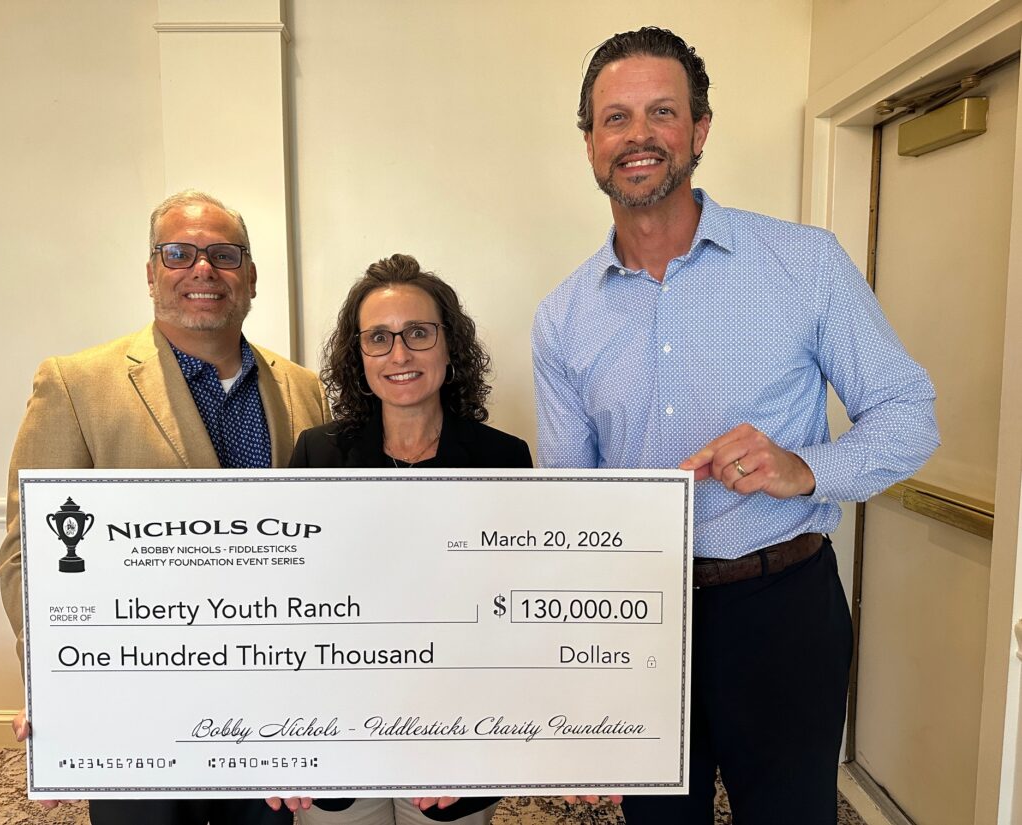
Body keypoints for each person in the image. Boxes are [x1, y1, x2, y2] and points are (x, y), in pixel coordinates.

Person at [531, 27, 939, 825]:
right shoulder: (562, 317)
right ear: (589, 143)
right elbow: (570, 502)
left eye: (662, 112)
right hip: (640, 621)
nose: (638, 135)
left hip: (783, 606)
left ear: (700, 130)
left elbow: (909, 412)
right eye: (615, 118)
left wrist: (805, 467)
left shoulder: (805, 263)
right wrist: (575, 672)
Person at [0, 189, 330, 825]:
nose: (203, 269)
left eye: (224, 255)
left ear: (251, 277)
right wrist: (53, 680)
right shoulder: (75, 383)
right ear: (152, 273)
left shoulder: (303, 388)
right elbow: (29, 554)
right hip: (134, 697)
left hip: (268, 697)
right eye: (179, 254)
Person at [272, 252, 531, 825]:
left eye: (418, 332)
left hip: (454, 748)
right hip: (337, 742)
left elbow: (514, 614)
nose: (400, 354)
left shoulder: (503, 458)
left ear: (449, 345)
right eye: (379, 338)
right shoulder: (317, 453)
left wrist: (482, 739)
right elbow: (288, 604)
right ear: (357, 356)